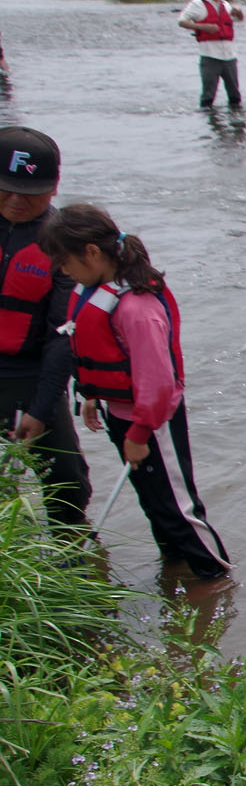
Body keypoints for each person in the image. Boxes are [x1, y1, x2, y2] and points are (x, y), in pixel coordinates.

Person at [43, 203, 230, 581]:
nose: (62, 271)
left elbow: (158, 381)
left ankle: (216, 579)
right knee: (154, 504)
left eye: (65, 261)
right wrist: (92, 395)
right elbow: (95, 348)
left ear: (92, 253)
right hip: (122, 414)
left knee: (178, 509)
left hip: (152, 423)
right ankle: (175, 569)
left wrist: (141, 433)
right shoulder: (94, 289)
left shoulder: (136, 308)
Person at [0, 127, 89, 527]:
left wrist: (38, 409)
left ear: (53, 187)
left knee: (67, 485)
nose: (16, 200)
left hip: (33, 376)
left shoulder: (64, 245)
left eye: (29, 190)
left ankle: (74, 564)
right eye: (6, 188)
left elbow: (63, 335)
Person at [177, 0, 245, 111]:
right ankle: (210, 123)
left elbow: (238, 19)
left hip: (230, 56)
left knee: (235, 95)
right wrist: (202, 27)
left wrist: (239, 14)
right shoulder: (197, 4)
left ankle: (236, 119)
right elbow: (181, 21)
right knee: (208, 96)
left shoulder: (226, 5)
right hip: (210, 56)